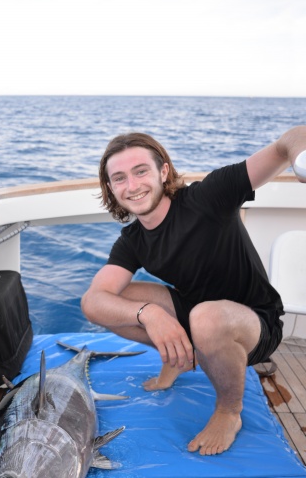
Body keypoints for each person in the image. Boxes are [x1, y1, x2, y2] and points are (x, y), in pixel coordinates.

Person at [81, 126, 306, 456]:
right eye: (119, 178)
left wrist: (301, 158)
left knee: (206, 317)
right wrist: (150, 314)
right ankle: (179, 356)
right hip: (196, 314)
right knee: (123, 299)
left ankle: (229, 411)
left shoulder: (209, 196)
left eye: (140, 171)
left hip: (255, 325)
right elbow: (93, 301)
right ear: (110, 188)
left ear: (163, 171)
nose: (132, 186)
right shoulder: (133, 240)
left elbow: (291, 138)